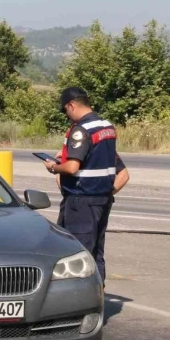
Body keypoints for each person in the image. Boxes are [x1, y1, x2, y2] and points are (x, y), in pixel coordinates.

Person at [43, 87, 118, 287]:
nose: (68, 116)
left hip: (81, 202)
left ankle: (80, 301)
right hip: (102, 200)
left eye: (66, 111)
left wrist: (54, 167)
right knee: (96, 253)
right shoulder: (107, 127)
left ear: (72, 105)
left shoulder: (82, 129)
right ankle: (98, 297)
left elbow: (72, 167)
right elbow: (119, 171)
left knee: (78, 255)